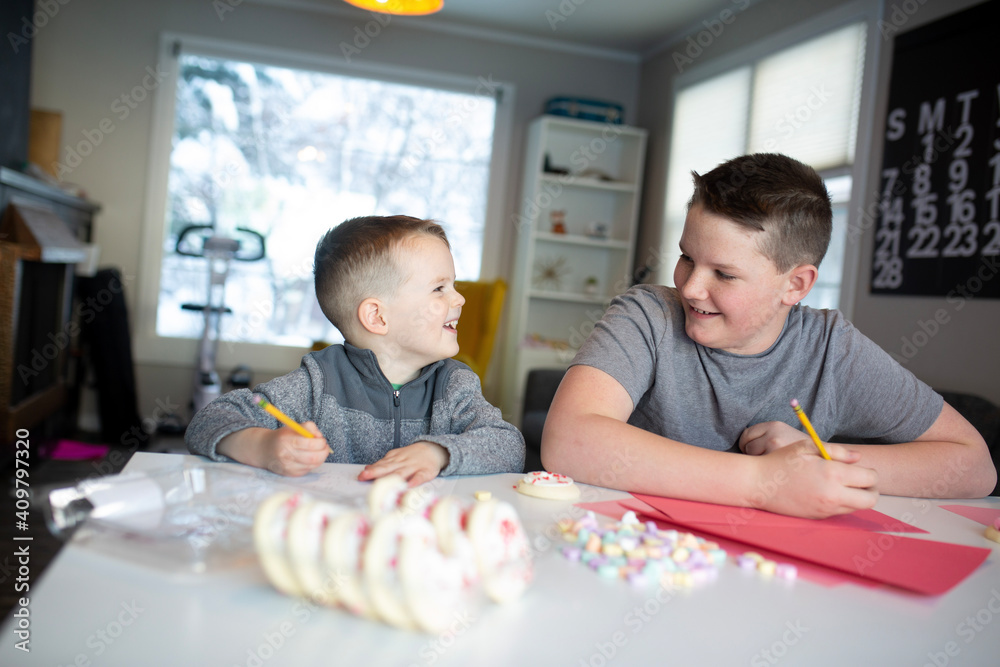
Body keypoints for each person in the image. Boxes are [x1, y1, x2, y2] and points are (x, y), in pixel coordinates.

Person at [542, 154, 996, 518]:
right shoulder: (647, 316)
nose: (690, 286)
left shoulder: (832, 350)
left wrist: (818, 460)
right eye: (686, 258)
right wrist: (764, 482)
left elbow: (975, 466)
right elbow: (568, 441)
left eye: (724, 273)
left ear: (795, 285)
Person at [186, 215, 525, 485]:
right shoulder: (319, 382)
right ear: (377, 316)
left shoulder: (454, 385)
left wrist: (437, 453)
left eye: (453, 285)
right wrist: (264, 447)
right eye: (439, 288)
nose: (459, 298)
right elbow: (208, 420)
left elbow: (509, 445)